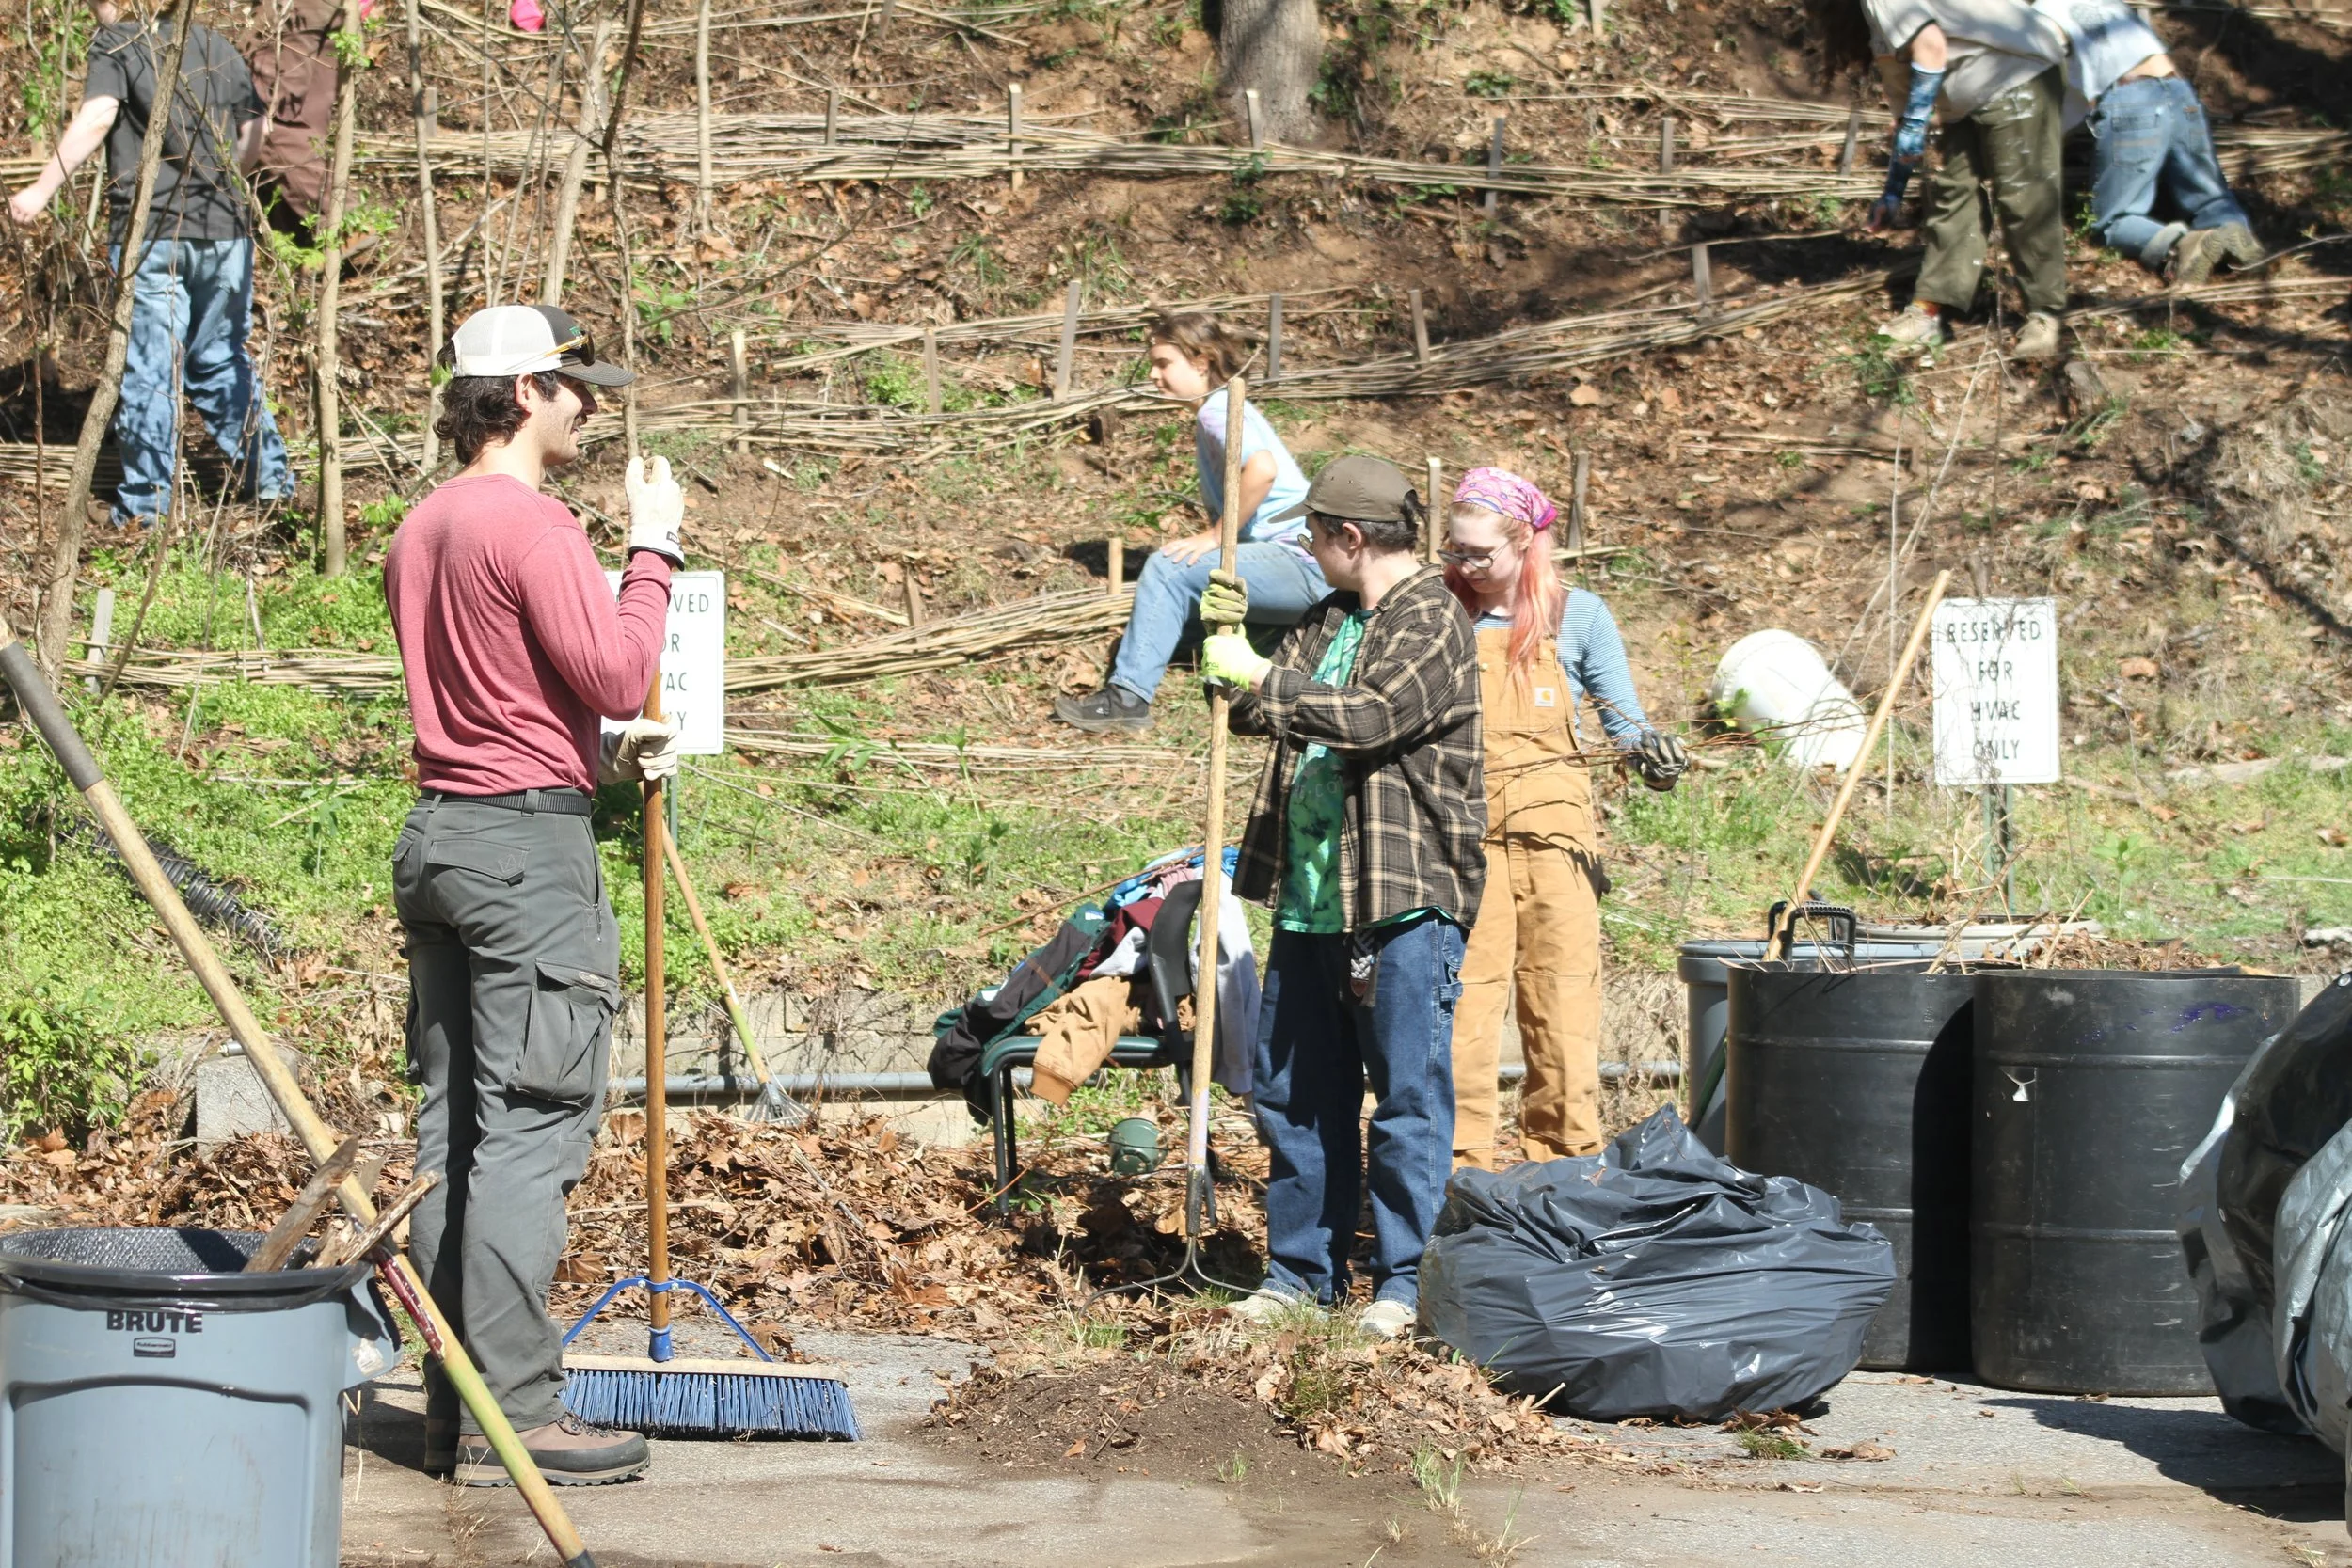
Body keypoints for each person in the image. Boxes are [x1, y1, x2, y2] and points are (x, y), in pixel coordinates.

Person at [385, 303, 684, 1488]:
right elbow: (615, 670)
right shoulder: (537, 523)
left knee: (451, 1124)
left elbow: (496, 695)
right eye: (571, 387)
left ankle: (453, 1403)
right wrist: (650, 552)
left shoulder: (423, 525)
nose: (588, 406)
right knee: (527, 1129)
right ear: (520, 394)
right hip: (524, 859)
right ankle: (521, 1406)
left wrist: (595, 761)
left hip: (440, 837)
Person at [1197, 455, 1485, 1340]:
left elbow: (1372, 716)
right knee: (1297, 1094)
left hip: (1400, 898)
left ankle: (1402, 1282)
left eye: (1315, 537)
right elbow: (1253, 710)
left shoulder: (1433, 617)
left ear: (1348, 538)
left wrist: (1261, 677)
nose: (1310, 551)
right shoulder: (1328, 619)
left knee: (1405, 1099)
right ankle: (1301, 1273)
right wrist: (1227, 651)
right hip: (1312, 897)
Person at [1438, 468, 1684, 1170]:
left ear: (1526, 542)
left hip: (1558, 846)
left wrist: (1656, 758)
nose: (1466, 566)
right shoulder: (1439, 613)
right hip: (1462, 845)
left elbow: (1627, 729)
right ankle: (1462, 1182)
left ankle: (1567, 1172)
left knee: (1563, 1011)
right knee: (1464, 1013)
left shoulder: (1579, 616)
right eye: (1456, 551)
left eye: (1480, 553)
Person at [6, 0, 294, 522]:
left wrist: (41, 190)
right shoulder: (216, 45)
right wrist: (225, 185)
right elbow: (256, 131)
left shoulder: (117, 41)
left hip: (154, 234)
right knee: (222, 359)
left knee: (153, 369)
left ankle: (146, 508)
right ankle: (271, 483)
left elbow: (97, 116)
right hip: (225, 230)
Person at [1054, 310, 1320, 734]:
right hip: (1305, 561)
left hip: (1300, 559)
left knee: (1166, 567)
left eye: (1164, 363)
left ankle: (1126, 700)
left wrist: (1216, 536)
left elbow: (1263, 470)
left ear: (1201, 361)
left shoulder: (1217, 411)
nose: (1155, 375)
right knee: (1186, 618)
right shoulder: (1226, 407)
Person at [1817, 0, 2073, 360]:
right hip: (1965, 96)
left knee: (2023, 194)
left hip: (2016, 75)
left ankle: (2044, 313)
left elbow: (1931, 47)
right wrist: (1892, 193)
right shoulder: (1873, 17)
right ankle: (1927, 310)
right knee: (1954, 194)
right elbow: (1908, 112)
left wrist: (1916, 122)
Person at [2035, 0, 2263, 285]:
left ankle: (2180, 244)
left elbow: (2070, 96)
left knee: (2112, 221)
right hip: (2180, 93)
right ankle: (2230, 228)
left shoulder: (2045, 16)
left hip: (2132, 101)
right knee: (2209, 196)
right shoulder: (2109, 4)